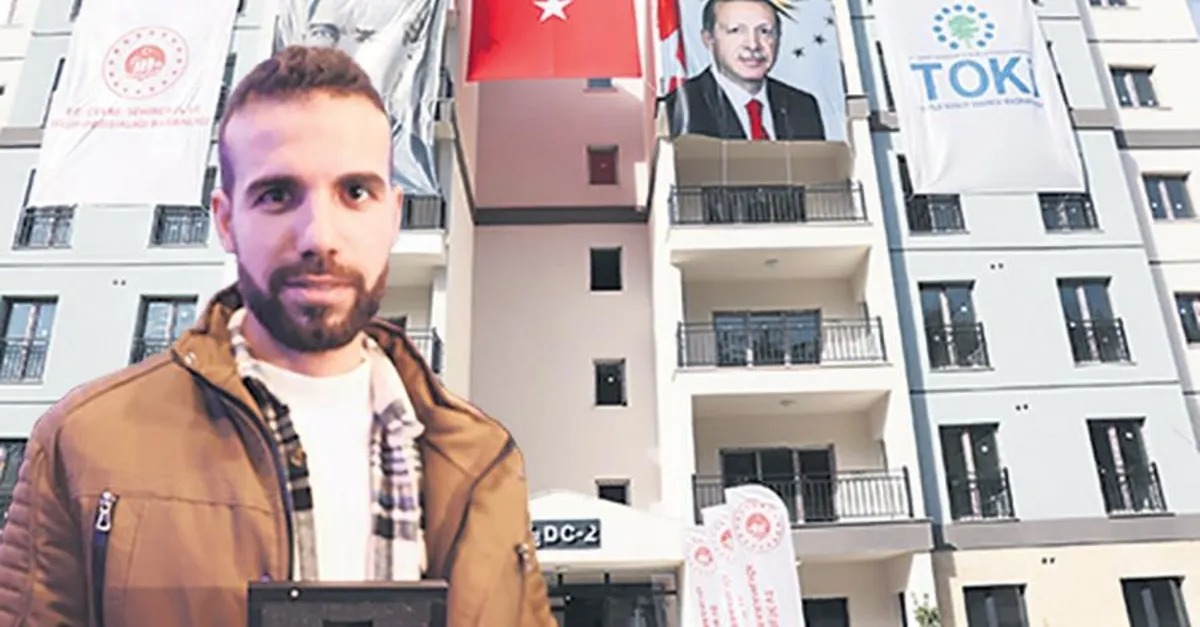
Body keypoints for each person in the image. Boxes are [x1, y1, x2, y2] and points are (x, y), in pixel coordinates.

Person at [0, 46, 554, 626]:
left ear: (393, 215)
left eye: (355, 192)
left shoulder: (482, 460)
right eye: (277, 195)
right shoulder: (85, 442)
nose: (319, 236)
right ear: (225, 220)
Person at [665, 0, 826, 141]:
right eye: (736, 30)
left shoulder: (802, 106)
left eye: (764, 31)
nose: (753, 45)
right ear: (708, 39)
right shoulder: (680, 108)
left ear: (778, 38)